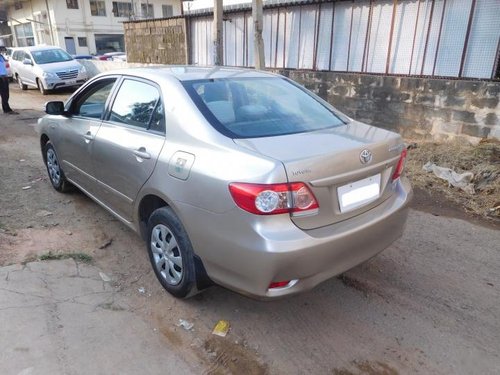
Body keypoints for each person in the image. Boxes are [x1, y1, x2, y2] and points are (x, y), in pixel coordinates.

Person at [0, 47, 17, 115]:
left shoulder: (1, 56)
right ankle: (6, 109)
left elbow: (4, 64)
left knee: (5, 94)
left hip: (4, 76)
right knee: (4, 94)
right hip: (1, 77)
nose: (2, 51)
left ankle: (6, 108)